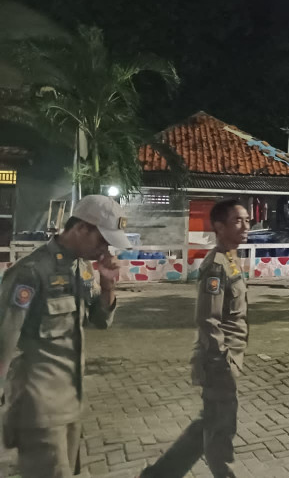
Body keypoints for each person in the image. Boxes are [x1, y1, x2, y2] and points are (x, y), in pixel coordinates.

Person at [0, 194, 125, 478]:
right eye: (102, 240)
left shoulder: (81, 268)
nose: (105, 249)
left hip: (69, 402)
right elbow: (4, 337)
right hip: (37, 408)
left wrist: (108, 286)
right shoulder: (30, 272)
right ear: (81, 228)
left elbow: (101, 322)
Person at [140, 199, 250, 478]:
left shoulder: (231, 260)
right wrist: (222, 361)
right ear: (219, 227)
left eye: (247, 220)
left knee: (209, 423)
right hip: (219, 361)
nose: (246, 226)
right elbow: (208, 319)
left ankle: (158, 475)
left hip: (228, 358)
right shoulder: (216, 266)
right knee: (221, 429)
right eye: (238, 221)